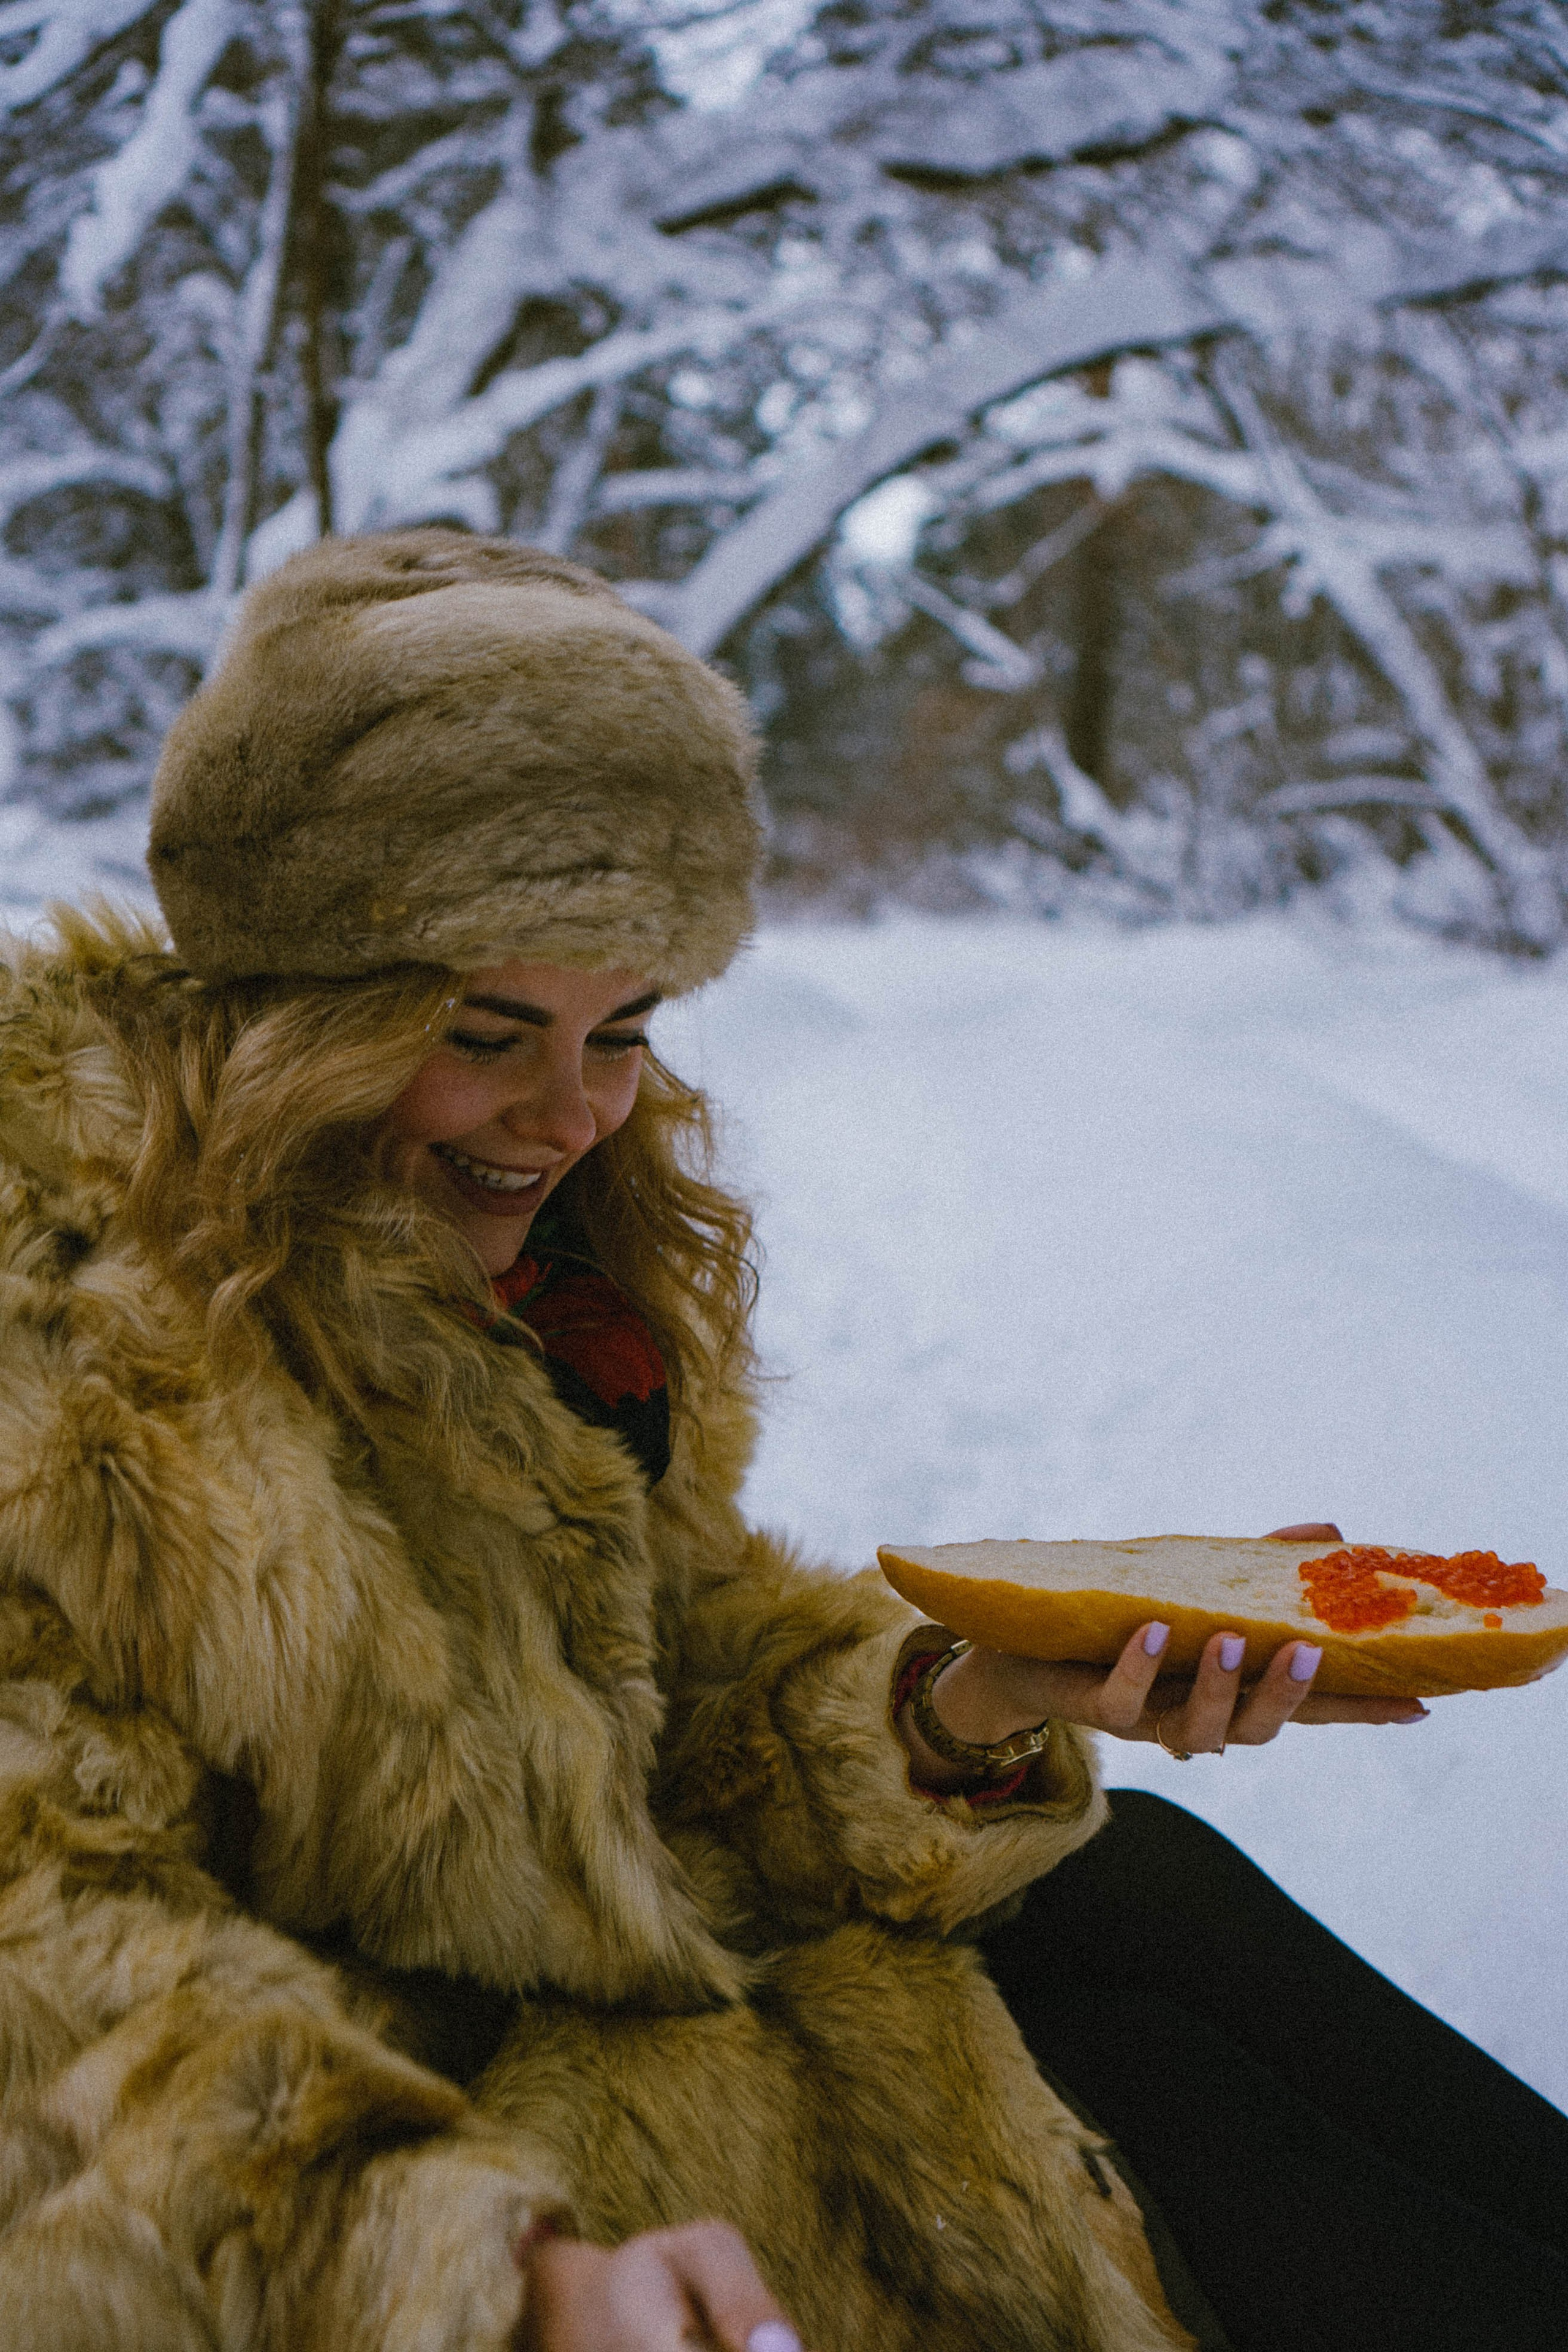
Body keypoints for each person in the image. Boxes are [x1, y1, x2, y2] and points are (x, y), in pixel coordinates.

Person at [0, 530, 1559, 2352]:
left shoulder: (530, 1284)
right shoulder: (76, 1339)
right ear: (293, 1011)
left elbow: (657, 1716)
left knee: (1143, 1893)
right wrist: (486, 2274)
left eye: (625, 1029)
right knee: (1128, 2104)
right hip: (368, 2158)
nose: (572, 1113)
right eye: (487, 1031)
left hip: (620, 1998)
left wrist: (968, 1701)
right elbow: (53, 1941)